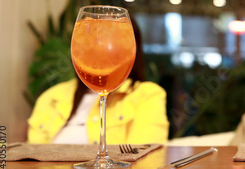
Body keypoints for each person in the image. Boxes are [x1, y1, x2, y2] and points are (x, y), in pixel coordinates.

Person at [27, 15, 169, 145]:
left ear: (132, 49)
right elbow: (32, 157)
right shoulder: (52, 97)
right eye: (93, 40)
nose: (102, 47)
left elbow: (144, 155)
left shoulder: (147, 94)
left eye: (113, 41)